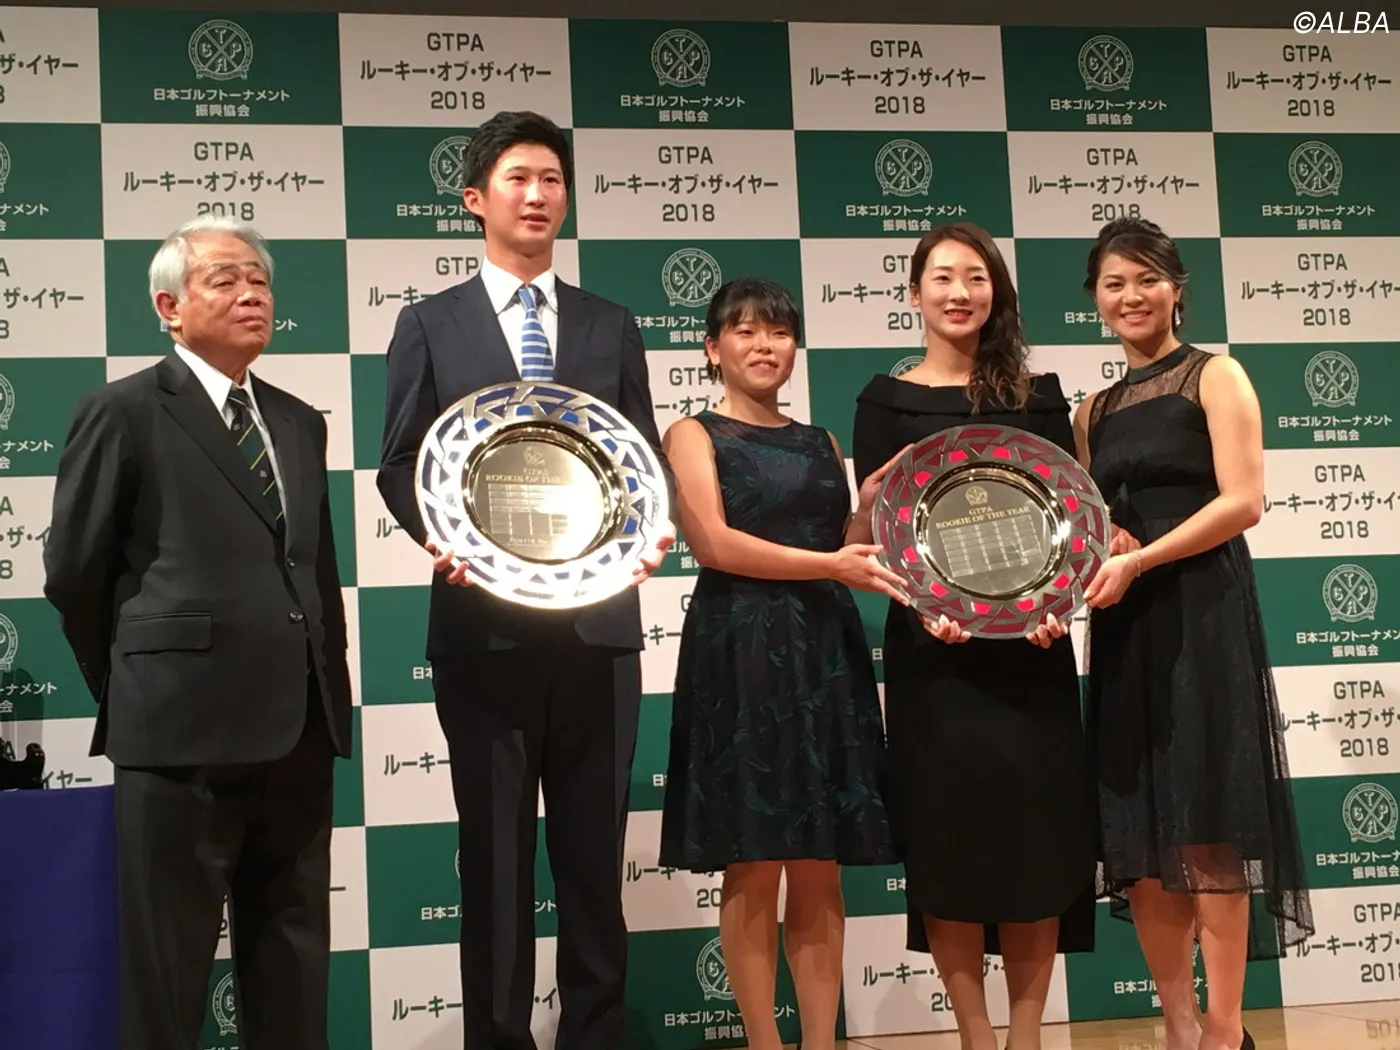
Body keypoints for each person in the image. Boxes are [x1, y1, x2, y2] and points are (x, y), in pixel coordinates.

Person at [376, 110, 674, 1050]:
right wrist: (442, 534)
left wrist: (646, 534)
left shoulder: (610, 324)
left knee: (593, 867)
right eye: (517, 178)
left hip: (599, 633)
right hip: (484, 633)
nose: (537, 195)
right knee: (497, 864)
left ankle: (594, 1037)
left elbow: (638, 458)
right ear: (476, 198)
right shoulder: (431, 323)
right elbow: (401, 462)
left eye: (552, 179)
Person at [43, 216, 353, 1050]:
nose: (252, 294)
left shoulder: (297, 420)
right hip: (176, 733)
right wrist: (137, 683)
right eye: (226, 279)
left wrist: (328, 697)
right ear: (169, 307)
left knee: (293, 965)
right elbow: (73, 574)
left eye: (260, 280)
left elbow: (314, 574)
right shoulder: (122, 411)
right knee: (166, 976)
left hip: (298, 732)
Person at [851, 222, 1098, 1050]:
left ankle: (1026, 1037)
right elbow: (878, 531)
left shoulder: (1039, 397)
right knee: (949, 850)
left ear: (997, 292)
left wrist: (1057, 604)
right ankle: (974, 1037)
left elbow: (1069, 525)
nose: (960, 292)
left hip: (1032, 654)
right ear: (914, 292)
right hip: (934, 657)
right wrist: (923, 601)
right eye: (943, 277)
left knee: (1037, 847)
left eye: (977, 277)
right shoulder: (883, 402)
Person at [1073, 217, 1313, 1050]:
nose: (1131, 296)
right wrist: (1106, 542)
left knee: (1209, 828)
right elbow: (1087, 519)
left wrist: (1145, 558)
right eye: (1114, 283)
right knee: (1140, 837)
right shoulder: (1091, 410)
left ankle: (1223, 1029)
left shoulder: (1216, 374)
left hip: (1204, 613)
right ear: (1095, 300)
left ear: (1177, 288)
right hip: (1126, 625)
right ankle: (1177, 1027)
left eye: (1147, 279)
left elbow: (1243, 501)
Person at [659, 277, 902, 1050]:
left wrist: (866, 511)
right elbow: (714, 544)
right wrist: (830, 564)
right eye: (744, 330)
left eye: (778, 331)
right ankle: (765, 1042)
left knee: (820, 859)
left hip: (823, 648)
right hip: (741, 647)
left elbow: (839, 545)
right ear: (712, 348)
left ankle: (821, 1043)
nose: (764, 345)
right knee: (754, 859)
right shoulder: (692, 433)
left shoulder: (820, 440)